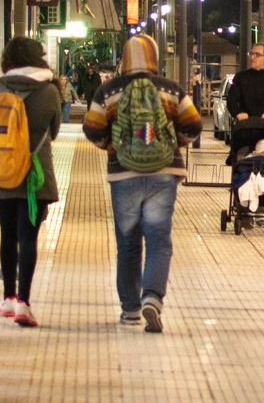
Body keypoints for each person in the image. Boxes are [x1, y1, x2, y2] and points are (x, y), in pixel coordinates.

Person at [83, 33, 203, 332]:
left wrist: (114, 147)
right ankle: (152, 297)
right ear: (154, 57)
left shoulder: (108, 91)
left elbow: (93, 128)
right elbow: (193, 125)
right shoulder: (171, 90)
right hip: (164, 173)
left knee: (128, 244)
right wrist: (174, 144)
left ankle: (130, 310)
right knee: (159, 240)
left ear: (124, 58)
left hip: (123, 174)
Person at [0, 36, 63, 327]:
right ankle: (23, 303)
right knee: (28, 237)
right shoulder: (50, 91)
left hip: (3, 172)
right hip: (35, 176)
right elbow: (54, 131)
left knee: (7, 235)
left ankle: (6, 297)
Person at [226, 43, 264, 154]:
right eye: (251, 54)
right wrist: (238, 113)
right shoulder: (241, 77)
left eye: (257, 55)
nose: (252, 57)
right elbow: (232, 99)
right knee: (240, 155)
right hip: (244, 127)